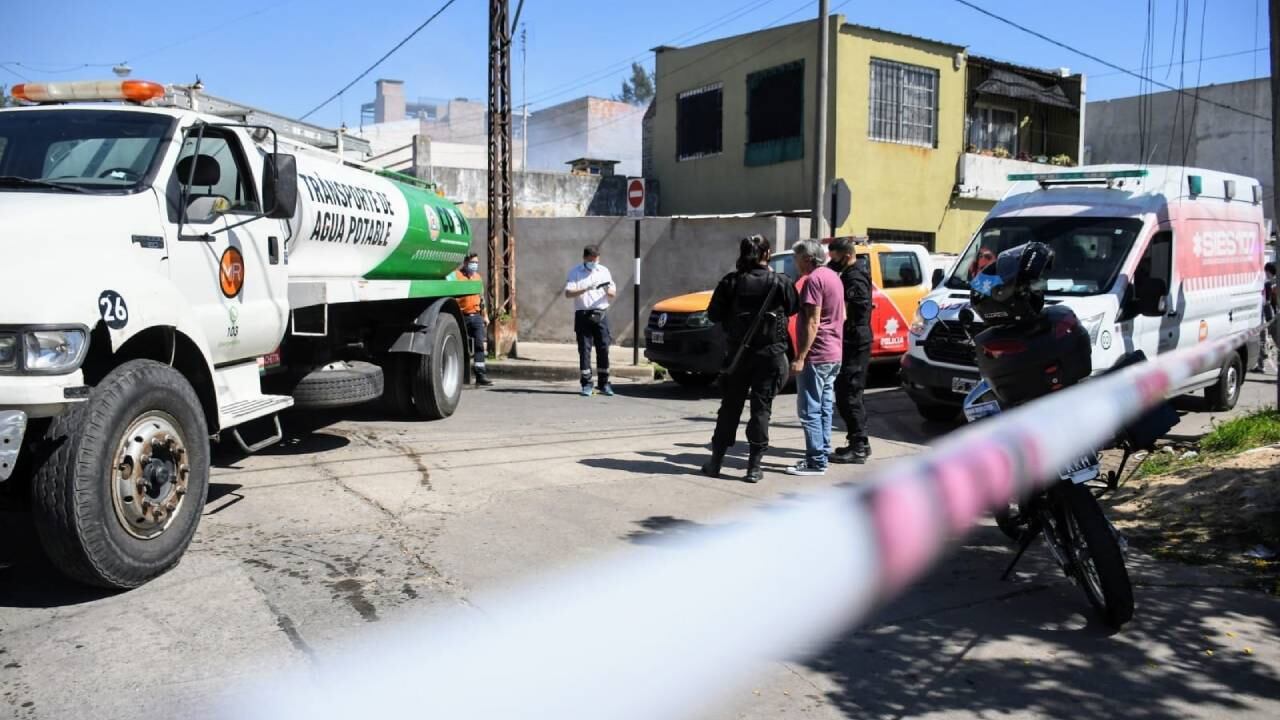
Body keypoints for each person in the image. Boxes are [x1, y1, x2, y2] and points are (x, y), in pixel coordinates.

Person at [700, 235, 800, 483]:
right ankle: (754, 468)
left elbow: (713, 315)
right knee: (761, 409)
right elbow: (794, 308)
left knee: (729, 408)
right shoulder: (781, 282)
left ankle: (715, 462)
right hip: (770, 356)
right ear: (767, 254)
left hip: (737, 355)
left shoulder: (730, 282)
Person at [787, 239, 845, 477]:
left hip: (817, 354)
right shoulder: (834, 276)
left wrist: (801, 357)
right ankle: (822, 452)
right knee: (824, 406)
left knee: (809, 409)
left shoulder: (813, 280)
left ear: (808, 259)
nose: (795, 263)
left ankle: (816, 461)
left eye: (797, 258)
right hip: (834, 352)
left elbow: (812, 321)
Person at [828, 238, 873, 464]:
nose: (831, 262)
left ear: (845, 255)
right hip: (855, 339)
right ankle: (860, 442)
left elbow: (854, 310)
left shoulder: (854, 277)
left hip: (855, 340)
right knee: (849, 391)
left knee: (849, 392)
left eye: (834, 257)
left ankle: (858, 447)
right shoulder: (853, 273)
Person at [564, 245, 617, 397]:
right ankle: (586, 384)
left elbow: (612, 293)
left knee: (603, 348)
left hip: (601, 314)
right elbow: (568, 293)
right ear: (584, 258)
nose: (593, 263)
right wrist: (585, 288)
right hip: (583, 314)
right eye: (590, 260)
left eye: (596, 260)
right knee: (584, 350)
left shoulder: (603, 271)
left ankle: (604, 383)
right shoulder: (576, 272)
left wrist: (608, 290)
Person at [452, 253, 492, 386]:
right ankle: (461, 376)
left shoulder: (477, 278)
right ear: (465, 262)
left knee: (480, 345)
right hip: (462, 317)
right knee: (462, 347)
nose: (475, 265)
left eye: (476, 263)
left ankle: (480, 374)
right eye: (472, 262)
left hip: (476, 316)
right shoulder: (457, 276)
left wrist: (485, 315)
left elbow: (481, 299)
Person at [1257, 261, 1277, 372]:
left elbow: (1267, 301)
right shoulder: (1274, 282)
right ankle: (1261, 364)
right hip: (1272, 315)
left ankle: (1262, 362)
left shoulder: (1268, 283)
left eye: (1265, 271)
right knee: (1264, 338)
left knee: (1262, 338)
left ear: (1268, 271)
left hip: (1267, 316)